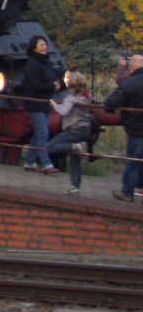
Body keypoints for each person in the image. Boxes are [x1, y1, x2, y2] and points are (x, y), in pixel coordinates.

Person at [103, 53, 143, 203]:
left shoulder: (130, 83)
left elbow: (110, 103)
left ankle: (127, 192)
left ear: (131, 67)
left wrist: (113, 110)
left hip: (137, 128)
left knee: (133, 160)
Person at [47, 71, 95, 195]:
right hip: (85, 129)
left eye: (68, 81)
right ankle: (75, 187)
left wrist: (54, 105)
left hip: (74, 129)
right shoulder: (86, 96)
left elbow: (64, 112)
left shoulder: (71, 98)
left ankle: (77, 147)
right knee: (74, 159)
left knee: (50, 146)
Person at [21, 35, 59, 173]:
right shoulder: (32, 64)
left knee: (38, 133)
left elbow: (51, 78)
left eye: (45, 44)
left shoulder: (45, 63)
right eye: (42, 45)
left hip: (45, 103)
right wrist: (52, 85)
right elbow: (35, 85)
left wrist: (56, 84)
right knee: (43, 132)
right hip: (35, 103)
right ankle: (46, 164)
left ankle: (29, 162)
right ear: (34, 47)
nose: (45, 47)